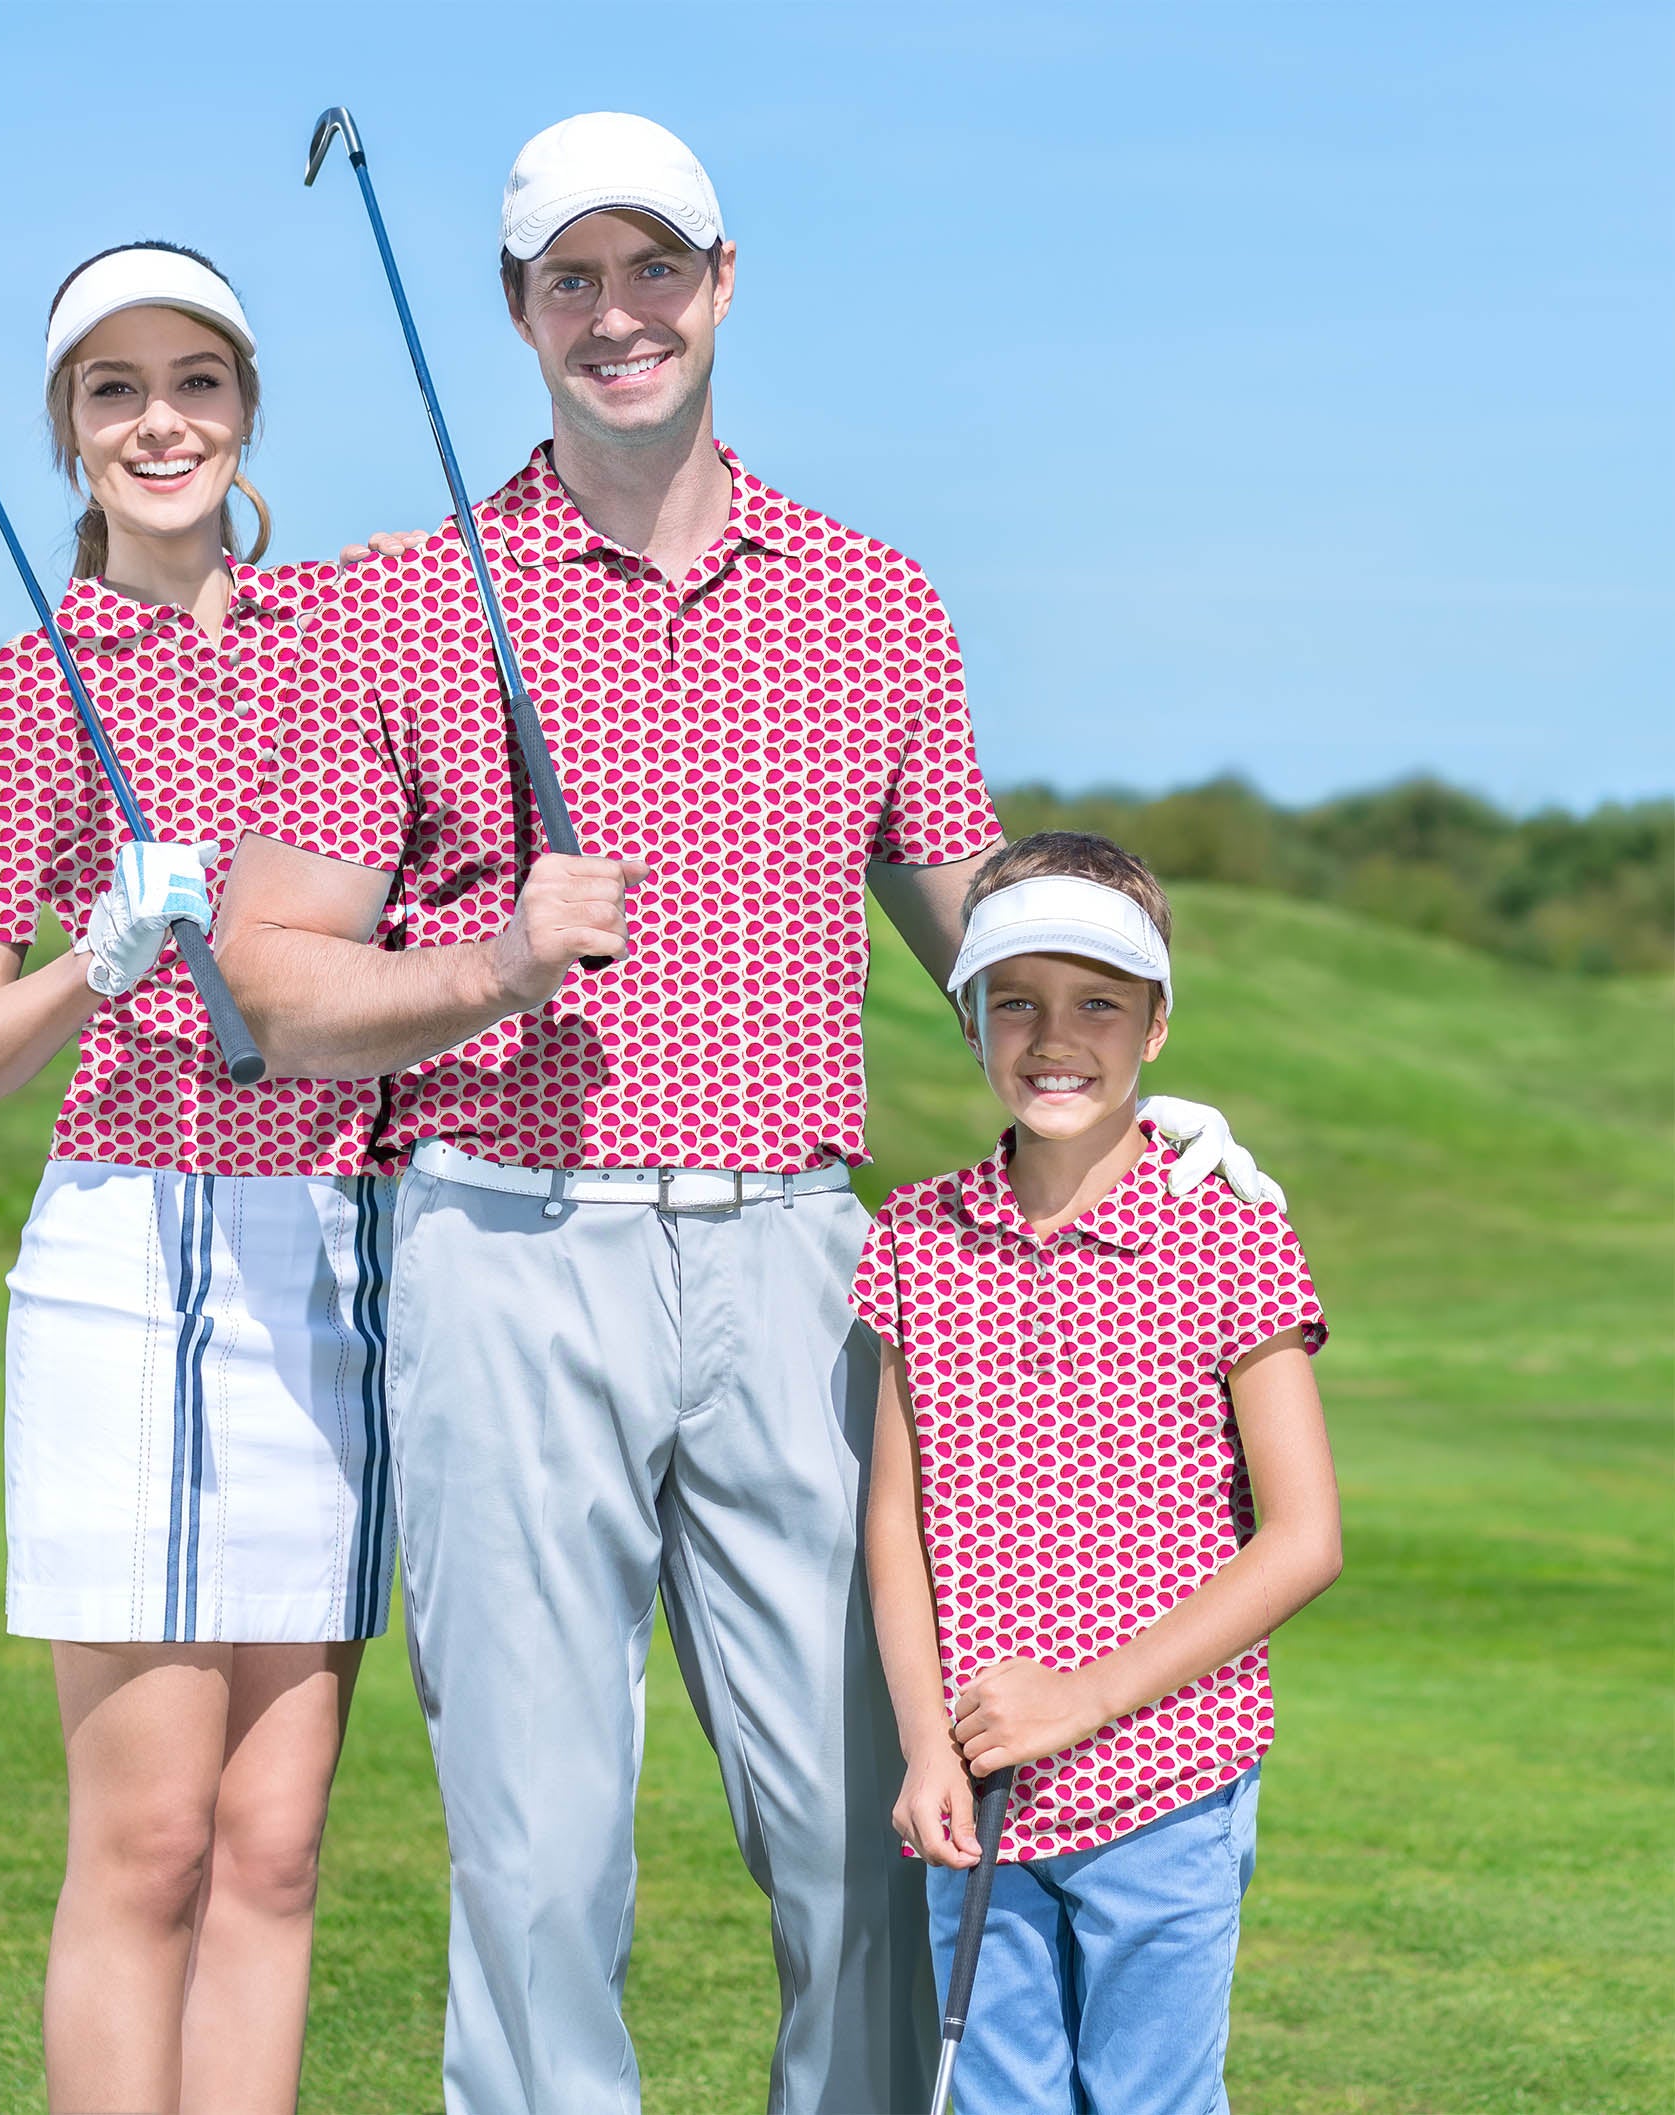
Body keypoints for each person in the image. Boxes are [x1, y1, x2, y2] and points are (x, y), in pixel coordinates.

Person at [217, 115, 1270, 2115]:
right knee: (541, 1861)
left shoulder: (876, 603)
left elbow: (979, 935)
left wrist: (1139, 1077)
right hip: (503, 1245)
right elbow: (269, 975)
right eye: (572, 279)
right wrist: (487, 967)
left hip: (799, 1263)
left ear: (721, 282)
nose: (617, 315)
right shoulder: (406, 606)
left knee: (870, 1833)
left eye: (654, 269)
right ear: (517, 311)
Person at [0, 242, 409, 2115]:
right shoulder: (20, 695)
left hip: (326, 1257)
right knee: (150, 1841)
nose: (159, 421)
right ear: (67, 431)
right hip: (126, 1258)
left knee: (274, 1845)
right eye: (112, 390)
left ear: (246, 407)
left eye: (194, 380)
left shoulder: (345, 649)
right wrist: (90, 962)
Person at [858, 831, 1343, 2114]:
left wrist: (1082, 1701)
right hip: (977, 1788)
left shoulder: (1230, 1230)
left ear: (1157, 1026)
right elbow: (895, 1525)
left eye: (1099, 1005)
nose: (1054, 1037)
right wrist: (924, 1747)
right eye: (1015, 1001)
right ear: (969, 1016)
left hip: (1169, 1775)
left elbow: (1304, 1538)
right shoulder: (914, 1235)